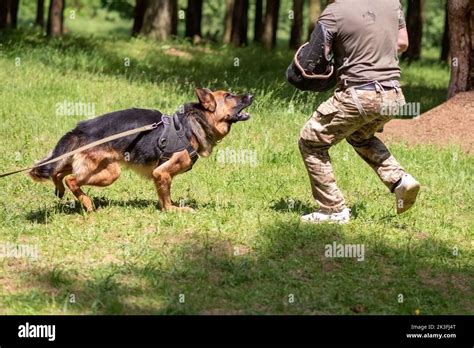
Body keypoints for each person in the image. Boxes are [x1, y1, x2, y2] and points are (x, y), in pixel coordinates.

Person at [299, 0, 420, 224]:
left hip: (360, 96)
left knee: (311, 141)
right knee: (360, 135)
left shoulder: (334, 12)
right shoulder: (392, 3)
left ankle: (332, 209)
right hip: (393, 95)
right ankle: (400, 180)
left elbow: (316, 57)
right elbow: (402, 43)